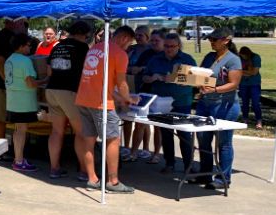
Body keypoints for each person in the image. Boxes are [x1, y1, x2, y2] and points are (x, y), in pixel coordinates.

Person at [75, 25, 138, 193]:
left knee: (88, 140)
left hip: (83, 99)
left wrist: (119, 98)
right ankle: (113, 181)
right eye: (129, 43)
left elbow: (102, 82)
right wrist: (128, 98)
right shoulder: (119, 53)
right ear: (124, 38)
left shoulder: (95, 48)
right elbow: (121, 83)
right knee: (112, 140)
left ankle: (92, 178)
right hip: (100, 104)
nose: (128, 46)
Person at [142, 33, 197, 173]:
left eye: (172, 46)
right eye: (166, 46)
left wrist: (173, 78)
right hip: (161, 102)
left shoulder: (187, 59)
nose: (169, 49)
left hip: (182, 102)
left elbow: (195, 79)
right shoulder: (155, 60)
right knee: (166, 133)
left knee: (184, 134)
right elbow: (145, 76)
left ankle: (188, 165)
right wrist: (150, 78)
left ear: (179, 46)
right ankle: (169, 163)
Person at [45, 20, 92, 180]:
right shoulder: (82, 47)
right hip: (70, 91)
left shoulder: (57, 46)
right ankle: (84, 171)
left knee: (57, 131)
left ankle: (54, 168)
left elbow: (49, 70)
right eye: (86, 36)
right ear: (82, 34)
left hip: (52, 89)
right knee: (80, 132)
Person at [196, 28, 243, 190]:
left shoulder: (233, 60)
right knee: (203, 139)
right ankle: (204, 174)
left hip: (225, 105)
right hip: (205, 103)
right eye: (210, 39)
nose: (212, 42)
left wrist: (215, 89)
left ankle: (223, 178)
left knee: (223, 143)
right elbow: (202, 74)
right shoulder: (210, 56)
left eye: (215, 40)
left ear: (226, 40)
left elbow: (234, 84)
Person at [125, 29, 166, 163]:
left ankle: (156, 154)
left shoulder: (166, 55)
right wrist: (144, 73)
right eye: (152, 40)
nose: (154, 43)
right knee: (139, 123)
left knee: (158, 125)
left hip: (161, 94)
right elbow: (135, 68)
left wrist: (158, 77)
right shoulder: (146, 53)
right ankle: (133, 152)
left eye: (156, 40)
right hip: (144, 91)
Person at [5, 34, 44, 172]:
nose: (30, 47)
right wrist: (44, 81)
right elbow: (30, 83)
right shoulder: (25, 61)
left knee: (17, 130)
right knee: (21, 130)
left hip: (12, 99)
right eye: (28, 45)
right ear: (21, 46)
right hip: (23, 101)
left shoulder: (9, 59)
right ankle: (19, 160)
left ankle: (18, 158)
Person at [0, 20, 28, 142]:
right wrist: (7, 81)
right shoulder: (2, 37)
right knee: (0, 118)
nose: (23, 25)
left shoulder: (11, 37)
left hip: (6, 84)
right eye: (21, 23)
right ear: (13, 23)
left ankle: (7, 147)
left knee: (7, 117)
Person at [239, 46, 263, 129]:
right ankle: (245, 119)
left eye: (243, 55)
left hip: (254, 83)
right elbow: (237, 71)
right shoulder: (239, 58)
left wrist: (242, 72)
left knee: (255, 103)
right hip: (243, 84)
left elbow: (254, 72)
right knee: (244, 102)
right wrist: (247, 73)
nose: (242, 57)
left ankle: (259, 120)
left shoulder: (256, 57)